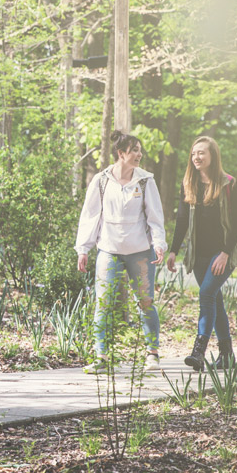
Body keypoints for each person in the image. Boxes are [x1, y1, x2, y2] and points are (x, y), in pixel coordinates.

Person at [75, 130, 167, 374]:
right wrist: (83, 248)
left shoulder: (146, 180)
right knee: (103, 303)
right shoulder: (102, 180)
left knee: (145, 302)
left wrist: (159, 243)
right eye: (134, 150)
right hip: (109, 250)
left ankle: (152, 354)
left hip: (140, 252)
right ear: (121, 153)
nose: (139, 154)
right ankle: (102, 356)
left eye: (139, 150)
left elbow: (155, 217)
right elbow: (90, 215)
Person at [166, 135, 237, 371]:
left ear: (213, 156)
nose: (196, 157)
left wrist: (224, 253)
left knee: (206, 293)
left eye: (201, 153)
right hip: (198, 254)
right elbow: (181, 220)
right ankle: (227, 355)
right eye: (193, 153)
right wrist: (173, 250)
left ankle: (198, 351)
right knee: (214, 300)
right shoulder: (189, 183)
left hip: (223, 252)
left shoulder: (228, 184)